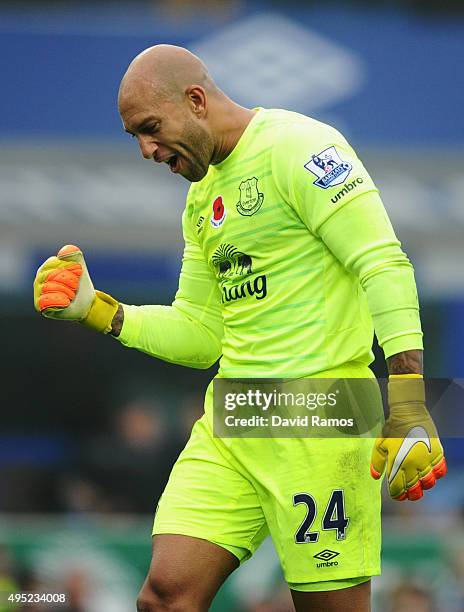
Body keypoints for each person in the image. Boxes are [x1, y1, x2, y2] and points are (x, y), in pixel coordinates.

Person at [33, 45, 447, 612]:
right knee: (164, 596)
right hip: (235, 421)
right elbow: (201, 331)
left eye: (150, 129)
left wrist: (408, 403)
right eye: (134, 136)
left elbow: (384, 264)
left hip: (320, 422)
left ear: (196, 101)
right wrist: (99, 311)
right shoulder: (201, 196)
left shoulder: (301, 148)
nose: (146, 150)